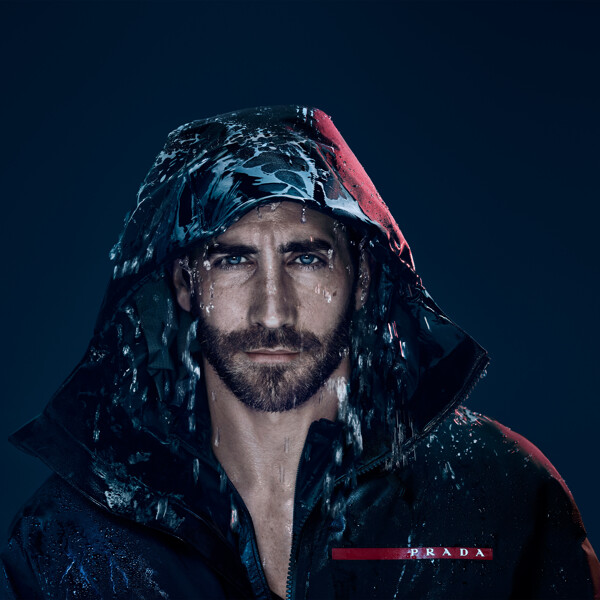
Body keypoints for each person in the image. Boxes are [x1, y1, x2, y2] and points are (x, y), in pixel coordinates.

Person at [1, 106, 598, 600]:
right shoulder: (70, 539)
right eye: (233, 259)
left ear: (362, 277)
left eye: (306, 257)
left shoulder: (496, 492)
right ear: (185, 283)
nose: (272, 312)